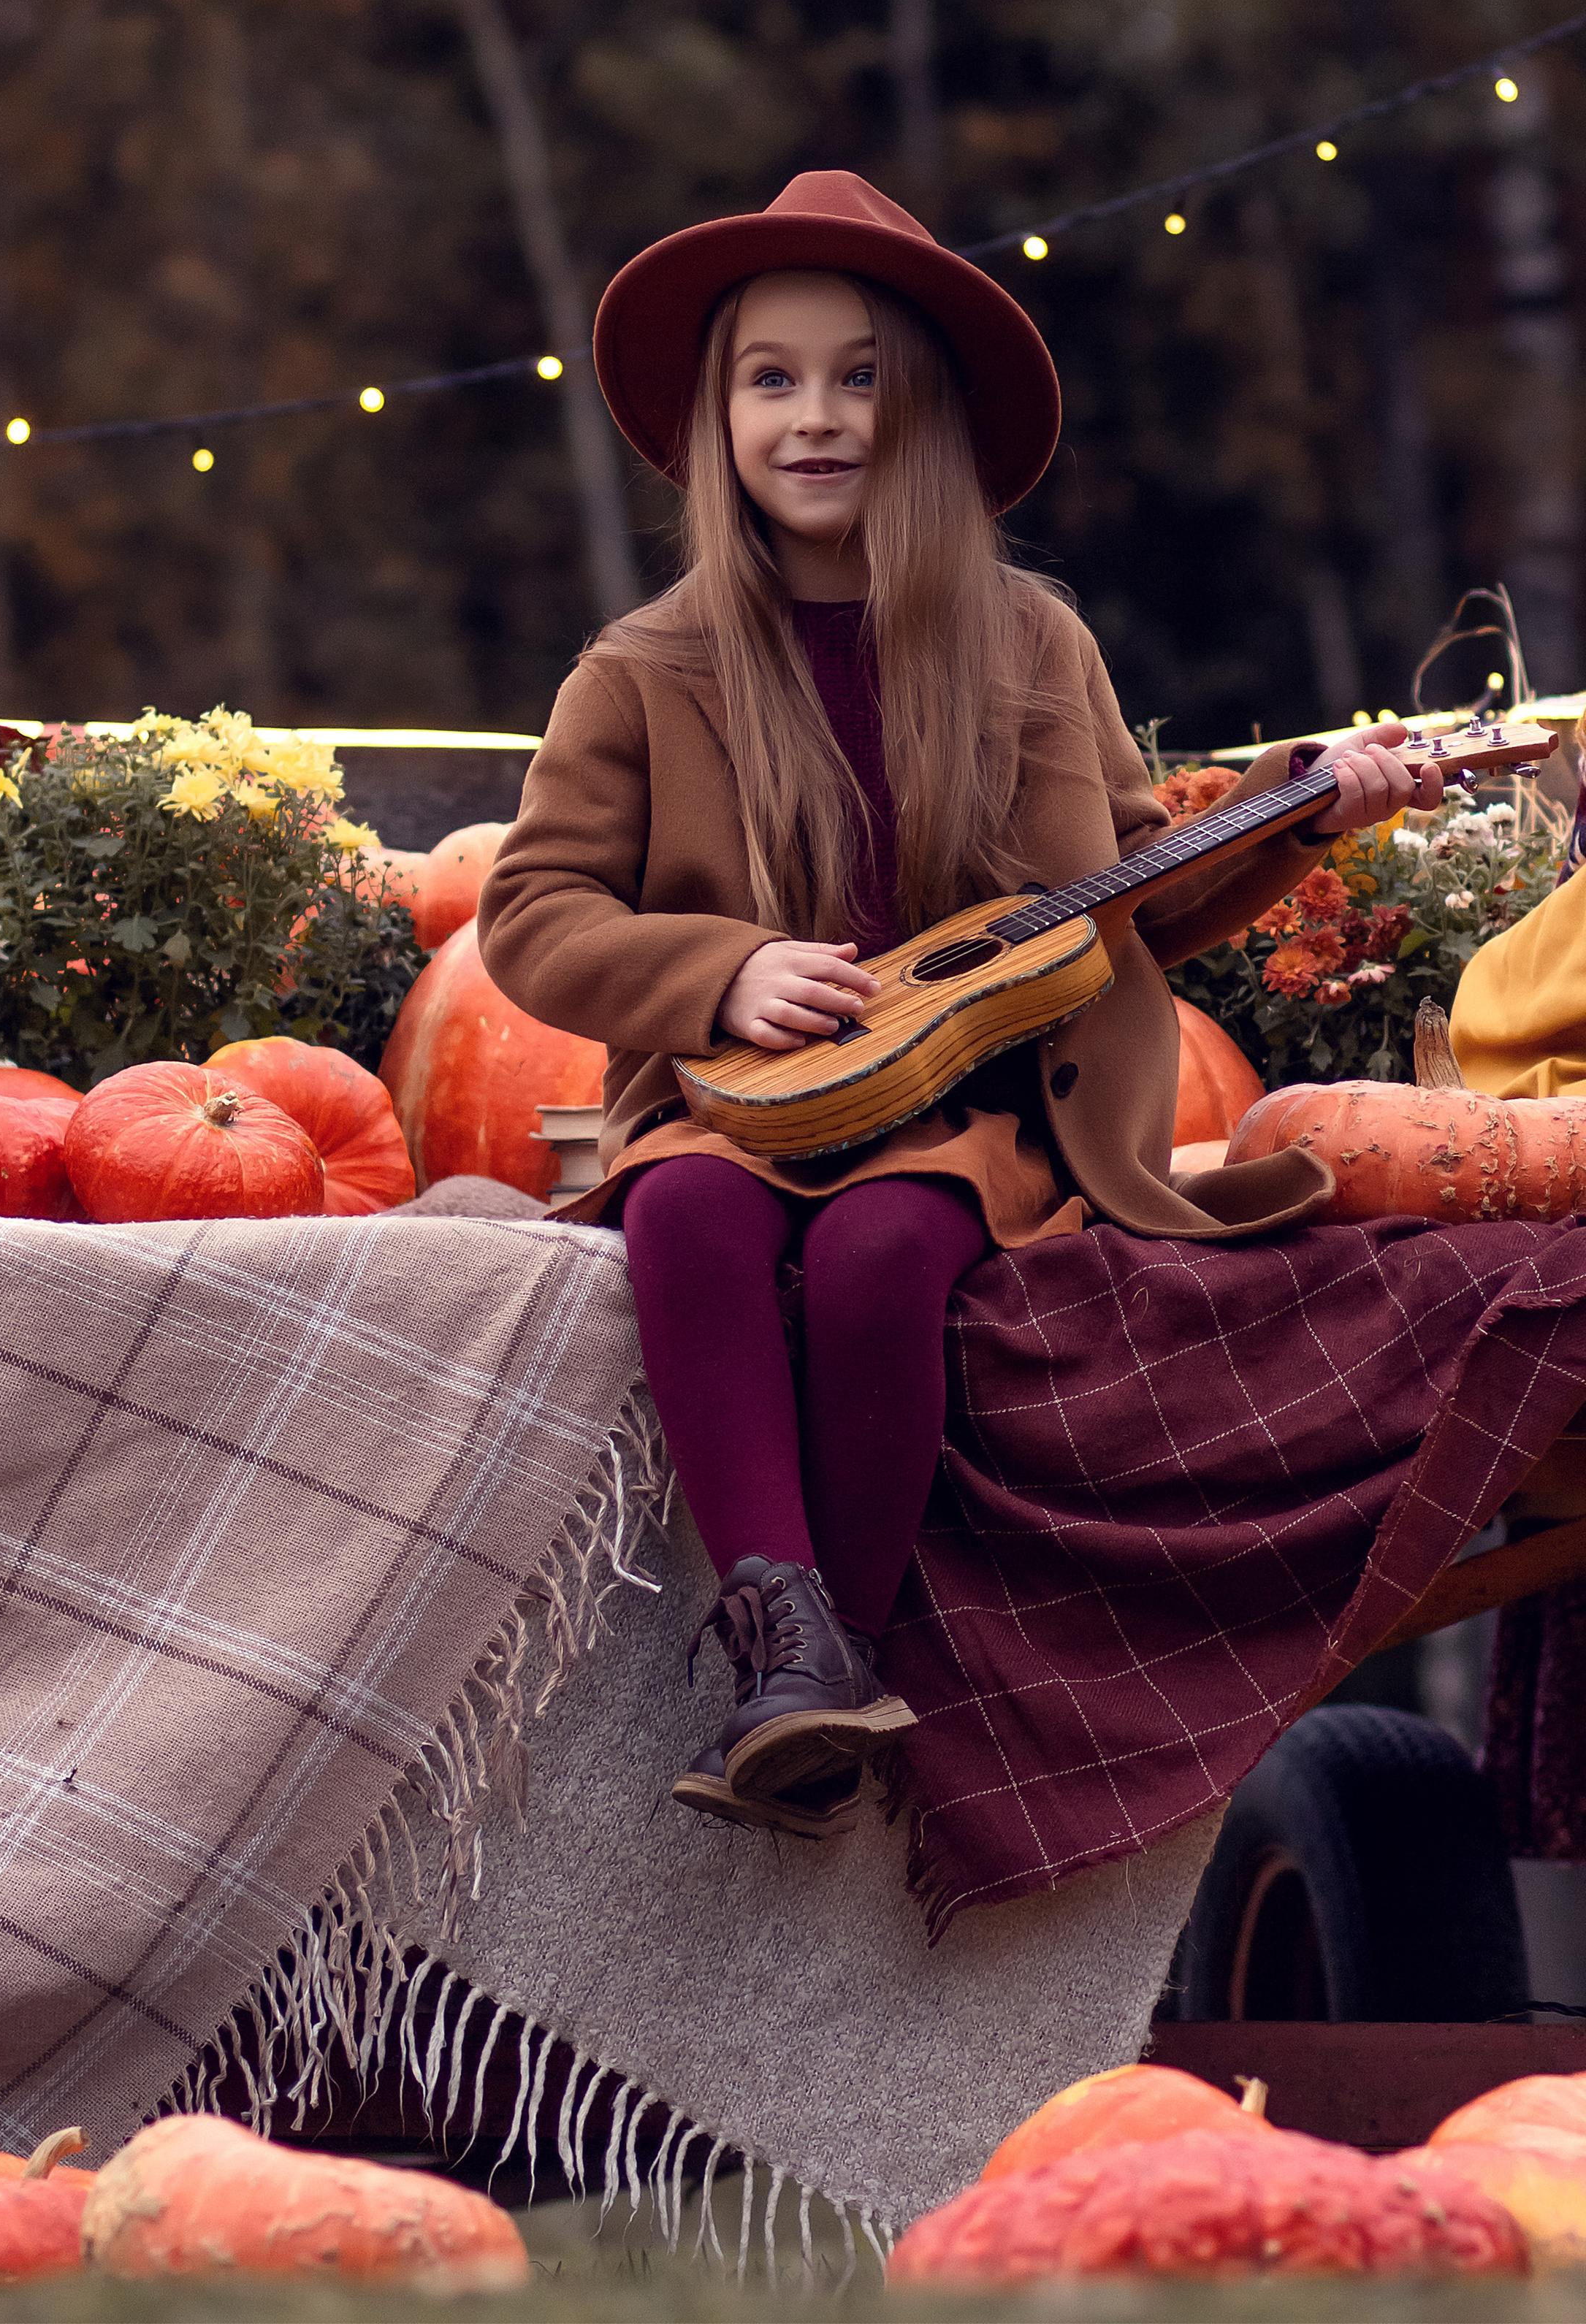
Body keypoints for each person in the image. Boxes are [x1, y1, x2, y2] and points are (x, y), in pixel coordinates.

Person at [479, 170, 1441, 1842]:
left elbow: (1133, 897)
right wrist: (720, 969)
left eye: (860, 377)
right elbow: (530, 912)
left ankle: (818, 1675)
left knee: (880, 1251)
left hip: (985, 1110)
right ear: (716, 421)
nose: (816, 417)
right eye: (769, 379)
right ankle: (788, 1642)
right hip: (735, 1100)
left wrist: (1298, 812)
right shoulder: (640, 670)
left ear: (920, 414)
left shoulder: (1026, 643)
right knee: (691, 1219)